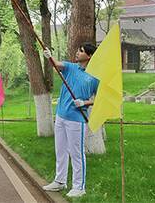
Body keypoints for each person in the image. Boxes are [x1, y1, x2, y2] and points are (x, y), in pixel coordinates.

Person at [42, 44, 99, 198]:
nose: (77, 52)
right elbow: (57, 65)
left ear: (89, 56)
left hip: (77, 120)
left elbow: (99, 99)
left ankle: (79, 187)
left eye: (81, 51)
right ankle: (60, 181)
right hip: (61, 115)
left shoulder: (95, 77)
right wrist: (49, 57)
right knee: (60, 150)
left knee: (76, 153)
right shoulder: (71, 67)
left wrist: (84, 103)